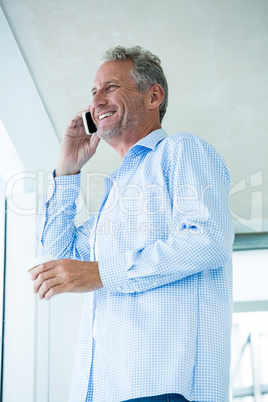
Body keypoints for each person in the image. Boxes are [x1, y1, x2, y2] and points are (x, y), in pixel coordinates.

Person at [32, 46, 234, 402]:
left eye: (110, 86)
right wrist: (67, 172)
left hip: (162, 387)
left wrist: (102, 273)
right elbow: (55, 260)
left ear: (153, 95)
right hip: (103, 390)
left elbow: (208, 240)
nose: (96, 100)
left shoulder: (181, 150)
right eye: (93, 92)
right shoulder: (116, 197)